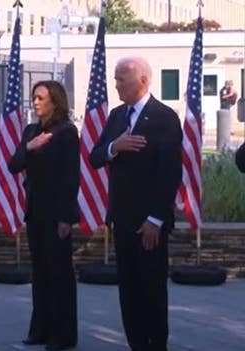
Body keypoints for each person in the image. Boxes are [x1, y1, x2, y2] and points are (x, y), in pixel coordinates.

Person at [90, 56, 182, 351]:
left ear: (142, 80)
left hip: (149, 224)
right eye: (115, 79)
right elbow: (95, 156)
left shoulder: (163, 117)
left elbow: (170, 173)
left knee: (151, 290)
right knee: (128, 290)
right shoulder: (117, 115)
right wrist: (114, 147)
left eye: (122, 80)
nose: (116, 85)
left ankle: (156, 345)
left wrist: (156, 219)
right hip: (122, 219)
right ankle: (136, 343)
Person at [8, 80, 79, 350]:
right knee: (40, 273)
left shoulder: (67, 133)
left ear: (55, 102)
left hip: (56, 213)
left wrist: (66, 218)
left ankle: (63, 335)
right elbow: (13, 165)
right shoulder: (31, 131)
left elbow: (71, 177)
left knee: (59, 274)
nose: (35, 102)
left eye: (40, 98)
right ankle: (40, 329)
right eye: (33, 97)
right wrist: (29, 146)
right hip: (35, 211)